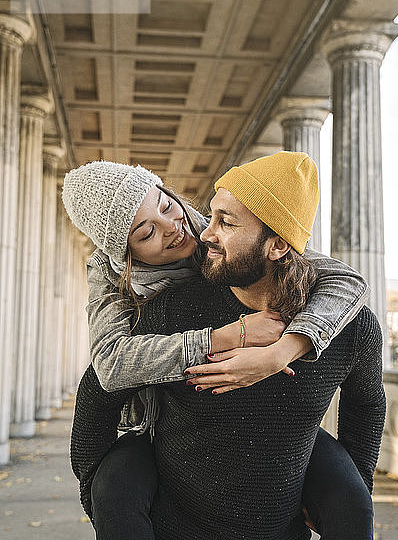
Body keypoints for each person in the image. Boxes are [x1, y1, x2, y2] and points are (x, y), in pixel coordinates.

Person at [63, 155, 380, 539]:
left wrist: (350, 492)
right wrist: (99, 495)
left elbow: (366, 401)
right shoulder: (165, 311)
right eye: (145, 234)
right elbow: (101, 386)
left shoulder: (349, 325)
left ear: (278, 245)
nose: (203, 234)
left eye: (225, 222)